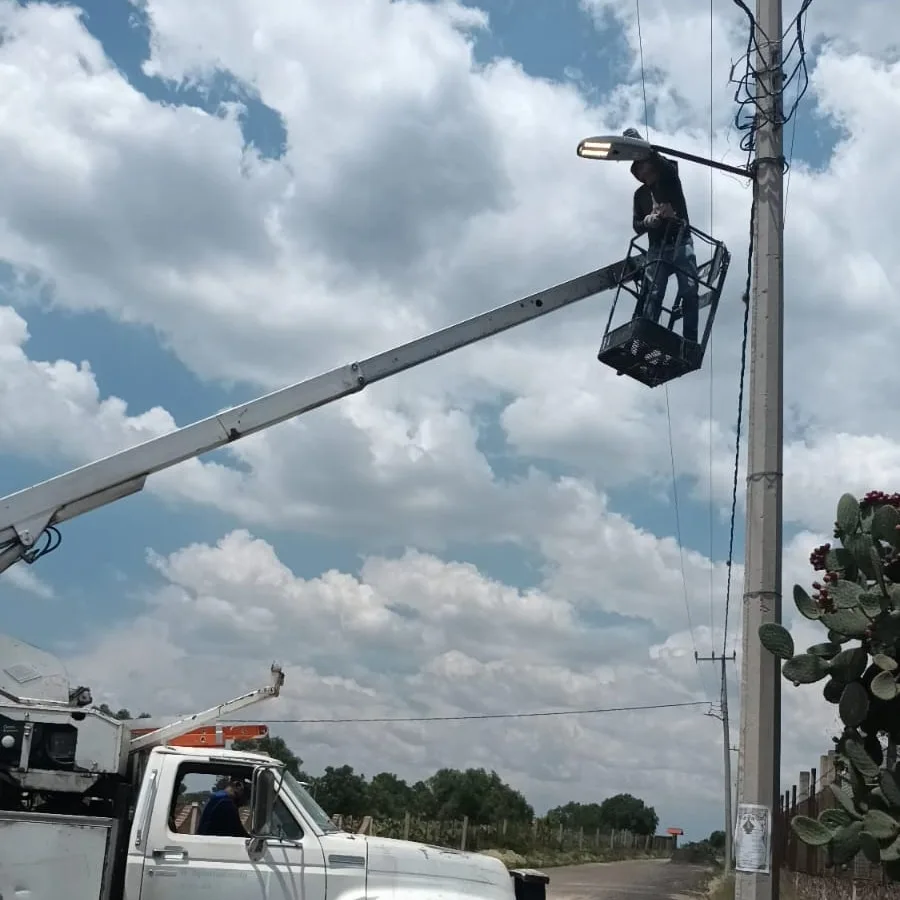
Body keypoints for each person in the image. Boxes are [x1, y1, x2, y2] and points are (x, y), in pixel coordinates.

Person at [624, 128, 700, 344]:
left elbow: (666, 165)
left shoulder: (669, 179)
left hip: (680, 242)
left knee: (689, 291)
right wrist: (647, 222)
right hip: (657, 248)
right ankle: (645, 337)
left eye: (643, 164)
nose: (641, 171)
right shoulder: (640, 195)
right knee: (653, 294)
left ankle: (690, 341)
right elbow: (636, 225)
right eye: (638, 168)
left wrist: (641, 147)